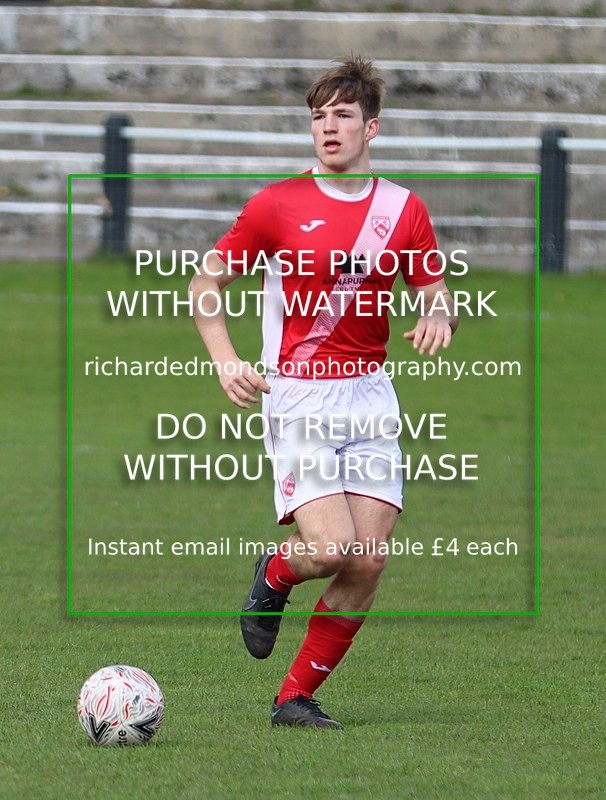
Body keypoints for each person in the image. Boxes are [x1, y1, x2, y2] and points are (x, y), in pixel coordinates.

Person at [189, 55, 458, 729]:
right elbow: (206, 286)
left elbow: (435, 290)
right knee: (331, 548)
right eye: (318, 116)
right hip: (301, 396)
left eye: (342, 115)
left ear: (373, 127)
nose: (328, 127)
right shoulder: (276, 204)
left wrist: (437, 313)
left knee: (367, 561)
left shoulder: (403, 209)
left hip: (370, 397)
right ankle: (278, 572)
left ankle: (294, 700)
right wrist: (226, 362)